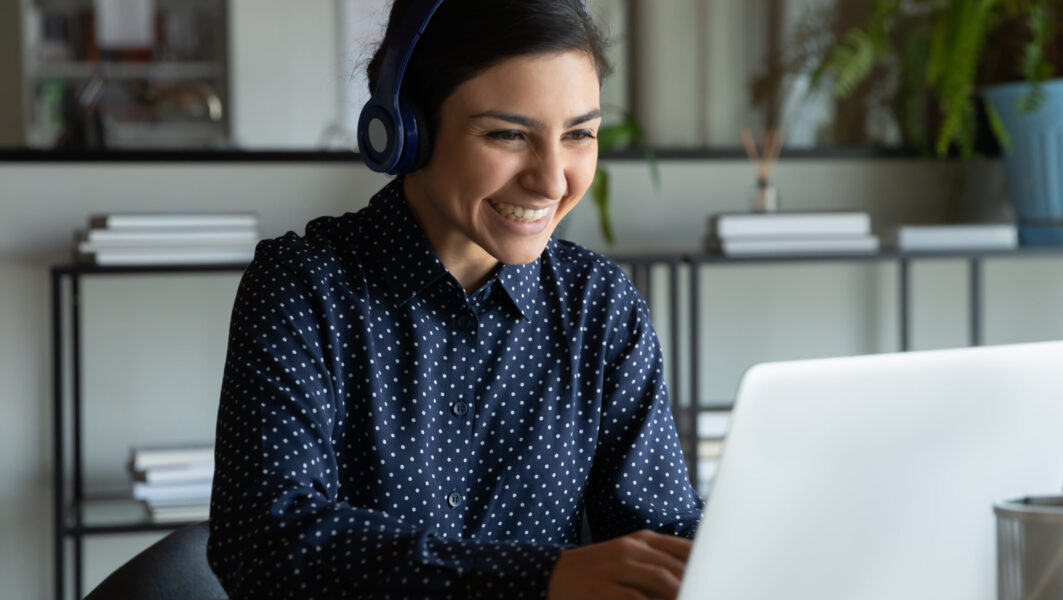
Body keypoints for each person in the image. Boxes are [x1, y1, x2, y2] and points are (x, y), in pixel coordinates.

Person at [206, 1, 703, 598]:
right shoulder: (305, 288)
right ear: (404, 130)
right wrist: (539, 580)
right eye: (508, 134)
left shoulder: (597, 303)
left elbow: (663, 529)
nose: (551, 180)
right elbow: (262, 543)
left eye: (579, 135)